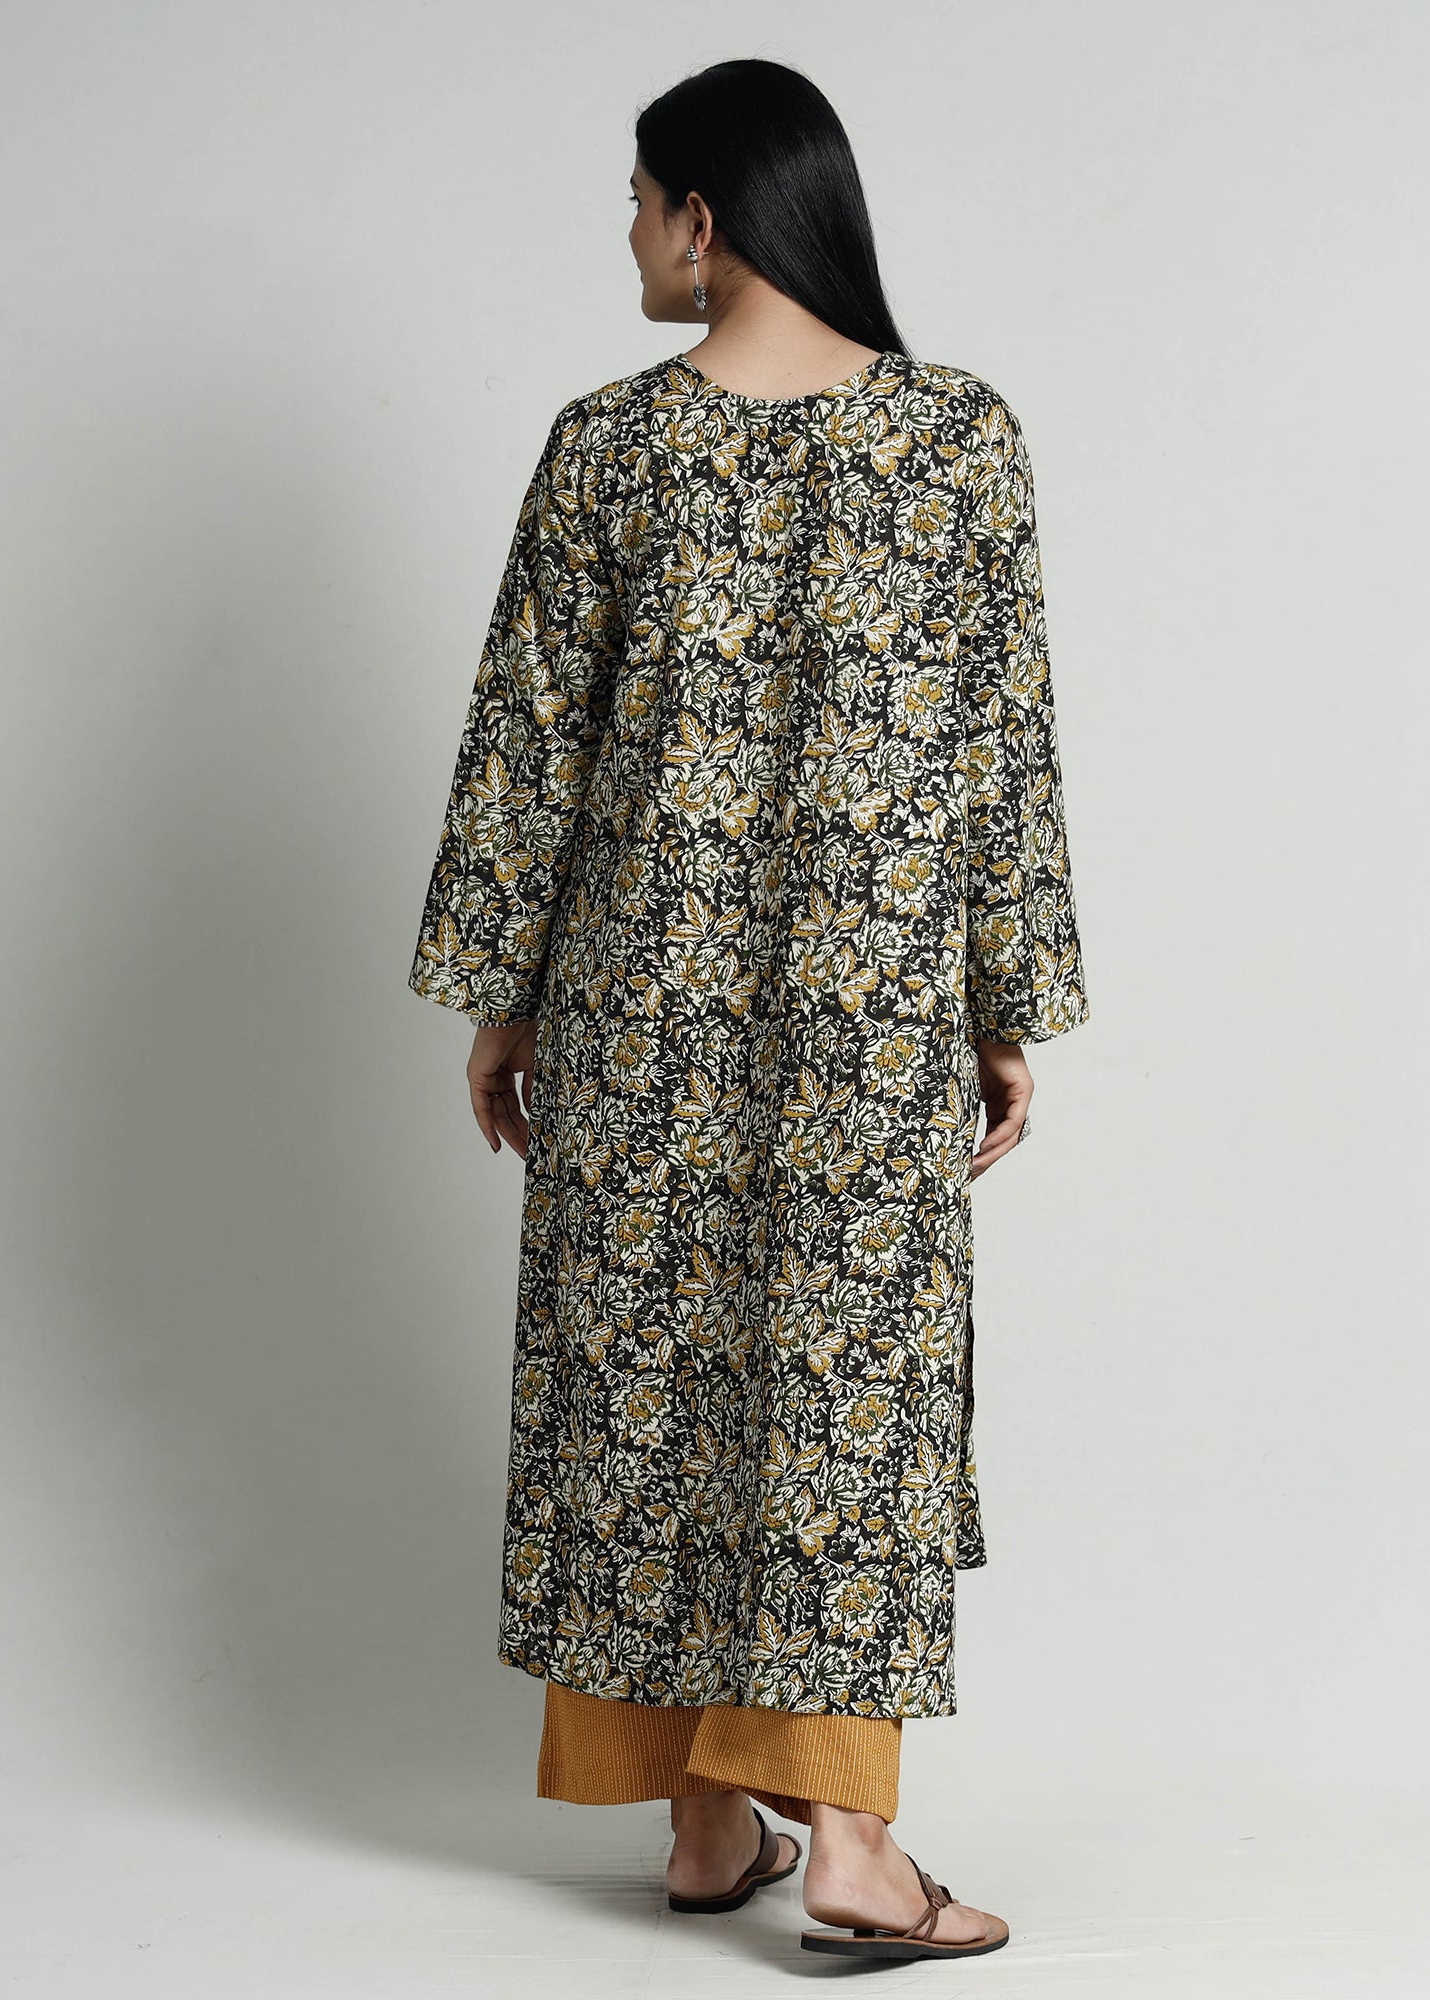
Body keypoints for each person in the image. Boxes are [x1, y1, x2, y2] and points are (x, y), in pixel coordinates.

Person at [408, 56, 1089, 1963]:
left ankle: (715, 1822)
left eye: (638, 200)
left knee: (646, 1373)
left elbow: (528, 750)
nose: (628, 235)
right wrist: (1004, 997)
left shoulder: (607, 448)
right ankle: (821, 1839)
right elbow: (1002, 744)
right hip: (868, 1019)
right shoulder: (960, 438)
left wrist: (504, 999)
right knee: (839, 1392)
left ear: (704, 216)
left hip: (638, 1002)